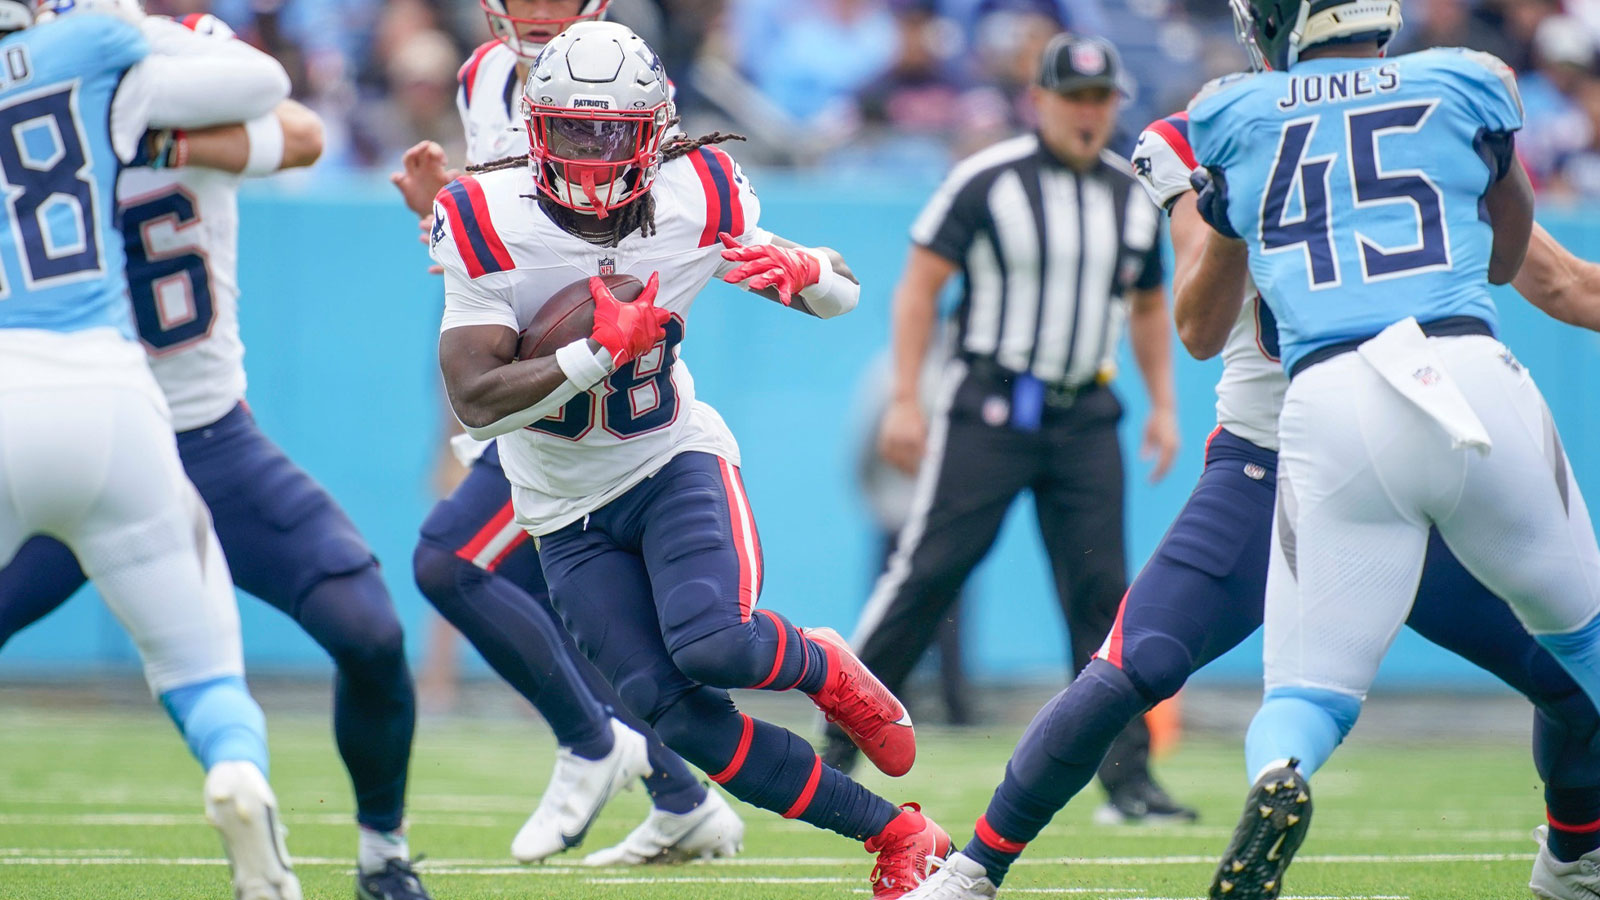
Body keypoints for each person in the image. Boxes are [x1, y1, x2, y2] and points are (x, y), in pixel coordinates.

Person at [901, 56, 1600, 900]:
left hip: (1334, 452)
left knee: (1568, 680)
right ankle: (975, 868)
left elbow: (1559, 279)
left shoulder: (1316, 117)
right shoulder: (1422, 108)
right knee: (1133, 663)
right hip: (1306, 458)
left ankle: (1573, 860)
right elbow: (1202, 324)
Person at [430, 21, 949, 898]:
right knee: (678, 717)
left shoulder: (698, 191)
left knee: (717, 643)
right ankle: (900, 836)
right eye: (572, 132)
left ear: (656, 133)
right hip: (562, 509)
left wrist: (807, 272)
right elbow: (475, 396)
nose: (591, 157)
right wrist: (596, 351)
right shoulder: (487, 214)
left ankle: (822, 665)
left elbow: (843, 289)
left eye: (613, 134)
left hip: (671, 461)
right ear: (534, 129)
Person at [0, 9, 435, 898]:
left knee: (370, 631)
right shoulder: (94, 71)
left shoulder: (151, 59)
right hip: (114, 421)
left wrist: (157, 141)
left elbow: (304, 132)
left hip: (201, 433)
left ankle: (383, 853)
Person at [1186, 0, 1600, 895]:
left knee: (1307, 692)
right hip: (1465, 372)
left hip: (1330, 395)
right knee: (1586, 637)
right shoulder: (1466, 79)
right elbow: (1506, 259)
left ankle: (1280, 775)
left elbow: (1208, 307)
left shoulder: (1232, 112)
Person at [390, 0, 745, 866]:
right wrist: (437, 218)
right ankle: (676, 792)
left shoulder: (628, 84)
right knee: (557, 600)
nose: (540, 11)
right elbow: (504, 243)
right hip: (527, 376)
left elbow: (621, 231)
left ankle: (596, 745)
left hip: (599, 393)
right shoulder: (483, 78)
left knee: (450, 560)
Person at [833, 31, 1193, 825]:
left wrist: (1164, 404)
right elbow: (920, 286)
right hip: (990, 403)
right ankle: (838, 738)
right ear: (1040, 101)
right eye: (1075, 97)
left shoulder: (1132, 197)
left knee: (1104, 595)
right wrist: (905, 397)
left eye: (1101, 99)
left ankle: (1128, 780)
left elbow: (1145, 305)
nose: (1089, 113)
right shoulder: (987, 179)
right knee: (929, 571)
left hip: (1086, 410)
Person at [0, 2, 301, 898]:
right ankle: (237, 771)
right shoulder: (90, 43)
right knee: (200, 666)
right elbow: (263, 84)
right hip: (107, 385)